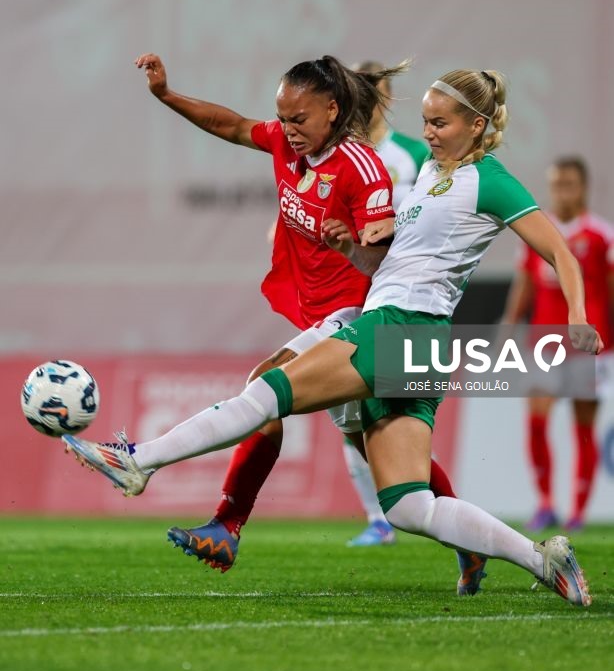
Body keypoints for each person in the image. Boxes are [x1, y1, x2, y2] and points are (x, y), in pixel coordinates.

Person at [64, 67, 601, 607]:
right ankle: (543, 559)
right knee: (409, 506)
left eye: (440, 123)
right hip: (417, 339)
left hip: (402, 325)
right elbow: (392, 262)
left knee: (267, 390)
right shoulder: (430, 174)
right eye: (425, 121)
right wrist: (351, 249)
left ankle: (139, 461)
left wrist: (577, 315)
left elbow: (559, 250)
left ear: (477, 125)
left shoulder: (490, 180)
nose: (428, 132)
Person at [125, 53, 483, 591]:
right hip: (328, 311)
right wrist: (167, 95)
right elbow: (230, 125)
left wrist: (353, 247)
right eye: (284, 118)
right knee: (372, 442)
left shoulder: (376, 164)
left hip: (366, 315)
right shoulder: (296, 147)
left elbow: (388, 256)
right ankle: (469, 542)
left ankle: (225, 523)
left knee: (265, 387)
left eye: (298, 118)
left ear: (333, 109)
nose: (287, 129)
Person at [343, 60, 429, 547]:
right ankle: (378, 518)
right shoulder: (339, 153)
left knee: (395, 412)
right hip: (347, 291)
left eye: (371, 91)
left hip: (399, 295)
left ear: (387, 98)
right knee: (346, 411)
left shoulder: (414, 155)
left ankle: (439, 514)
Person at [502, 156, 614, 531]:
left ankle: (578, 512)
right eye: (556, 185)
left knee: (583, 427)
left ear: (583, 188)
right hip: (544, 343)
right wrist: (508, 325)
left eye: (568, 185)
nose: (561, 192)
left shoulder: (601, 235)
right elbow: (524, 283)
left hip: (587, 346)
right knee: (536, 420)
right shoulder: (538, 231)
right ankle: (546, 503)